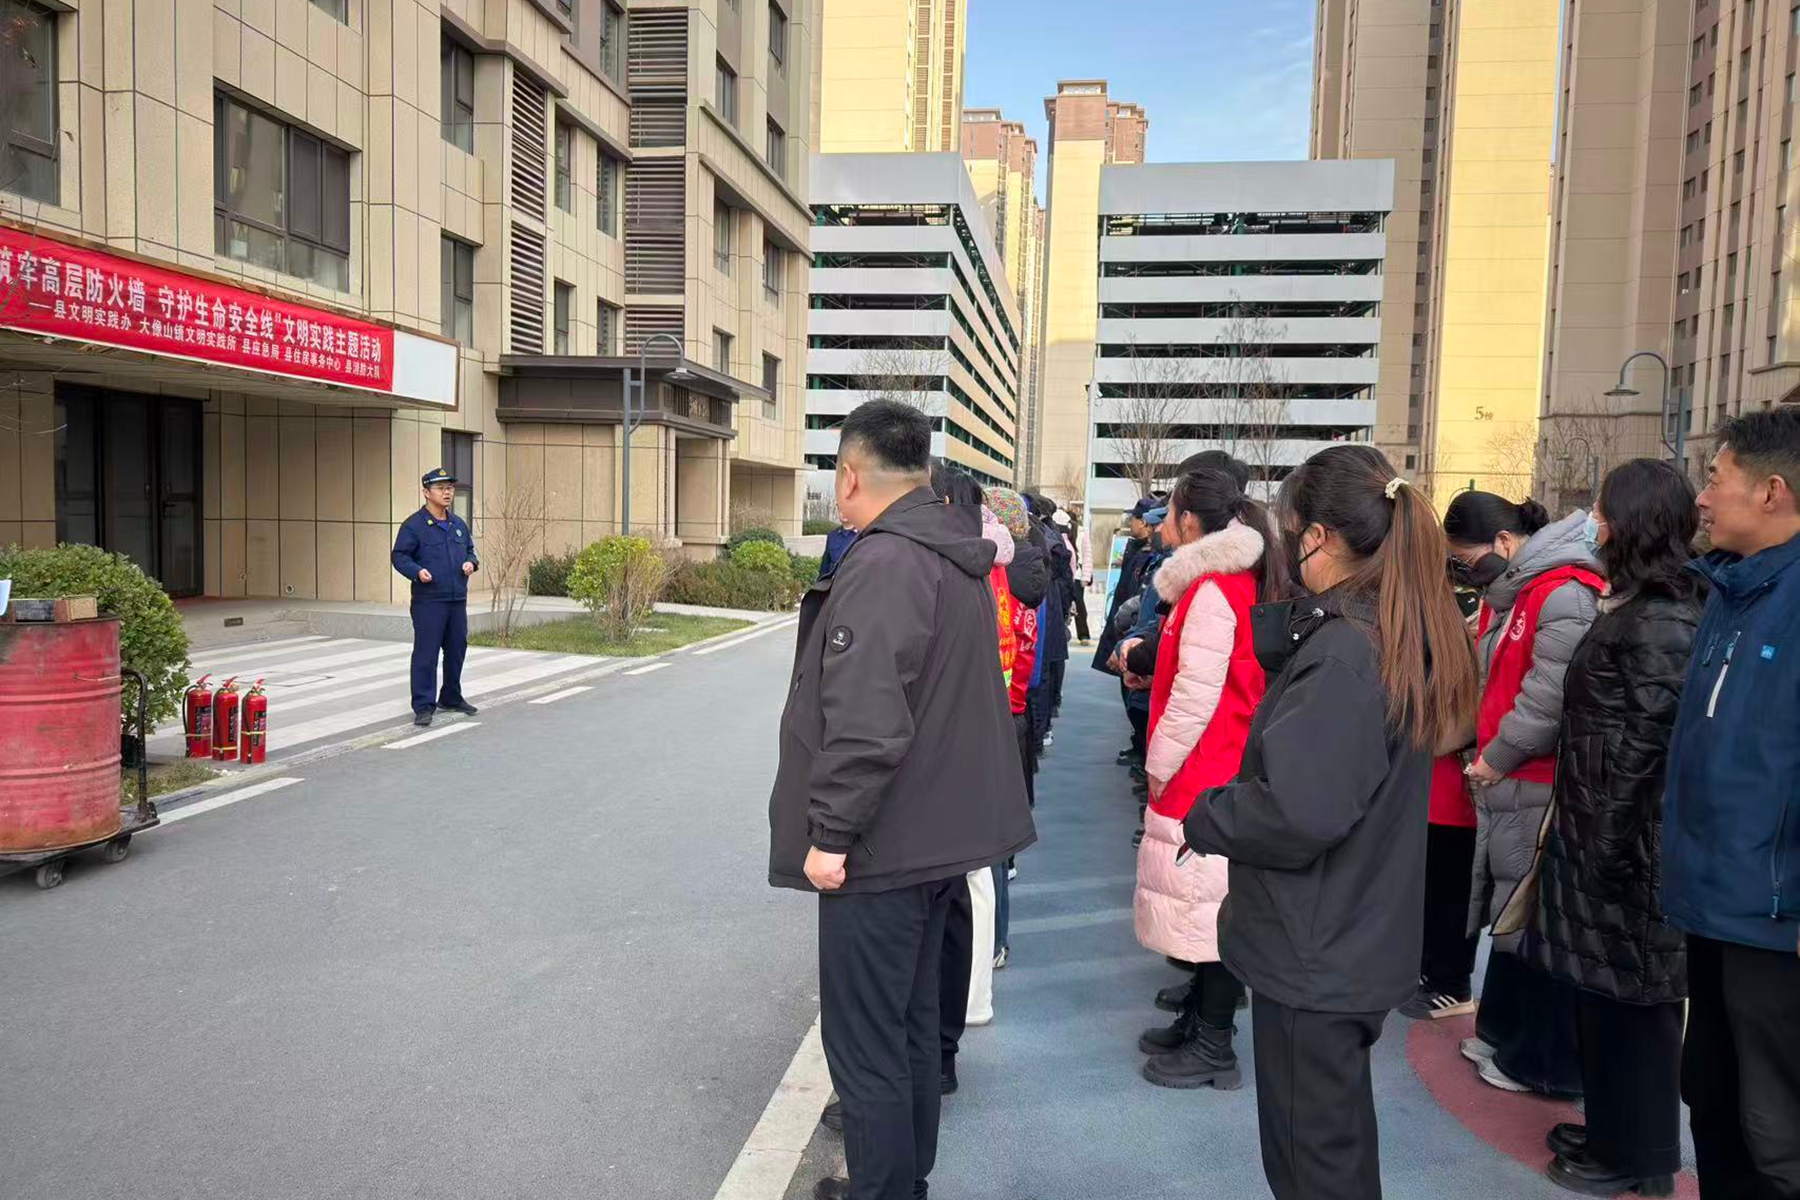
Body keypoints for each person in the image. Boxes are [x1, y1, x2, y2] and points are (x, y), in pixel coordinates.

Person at [1182, 446, 1478, 1200]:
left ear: (1319, 536)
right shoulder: (1387, 630)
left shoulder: (1348, 649)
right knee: (1329, 1147)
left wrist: (1208, 814)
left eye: (1292, 532)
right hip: (1347, 931)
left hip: (1317, 943)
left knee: (1310, 1160)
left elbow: (1298, 809)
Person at [767, 401, 1036, 1200]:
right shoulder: (951, 552)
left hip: (884, 846)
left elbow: (867, 718)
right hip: (939, 837)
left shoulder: (885, 562)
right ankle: (903, 1181)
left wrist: (831, 835)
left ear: (851, 475)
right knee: (913, 1028)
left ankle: (882, 1189)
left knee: (867, 1046)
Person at [1515, 459, 1701, 1198]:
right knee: (1604, 997)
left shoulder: (1665, 617)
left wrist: (1608, 841)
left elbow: (1648, 745)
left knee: (1638, 1006)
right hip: (1599, 829)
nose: (1592, 524)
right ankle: (1611, 1130)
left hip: (1627, 845)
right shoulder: (1637, 603)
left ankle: (1642, 1157)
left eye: (1601, 512)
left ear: (1634, 522)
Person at [1661, 408, 1800, 1200]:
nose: (1703, 498)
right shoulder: (1731, 589)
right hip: (1713, 901)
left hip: (1777, 921)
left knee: (1775, 1134)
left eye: (1716, 479)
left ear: (1772, 492)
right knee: (1713, 1098)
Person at [1446, 491, 1601, 1097]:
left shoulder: (1562, 593)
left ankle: (1537, 1058)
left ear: (1505, 543)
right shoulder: (1517, 591)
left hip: (1533, 777)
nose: (1466, 572)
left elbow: (1547, 698)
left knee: (1530, 920)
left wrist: (1499, 754)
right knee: (1508, 913)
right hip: (1507, 775)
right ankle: (1504, 1032)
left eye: (1467, 559)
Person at [1132, 469, 1279, 1090]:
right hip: (1218, 762)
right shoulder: (1222, 584)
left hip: (1208, 766)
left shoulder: (1215, 590)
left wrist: (1159, 764)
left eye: (1171, 512)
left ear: (1190, 521)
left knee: (1211, 910)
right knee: (1205, 906)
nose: (1165, 522)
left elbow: (1195, 696)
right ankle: (1201, 1019)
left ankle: (1214, 1041)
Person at [988, 485, 1045, 970]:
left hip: (996, 711)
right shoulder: (1029, 573)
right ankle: (996, 941)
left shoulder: (996, 574)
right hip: (1015, 704)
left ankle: (992, 942)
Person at [390, 467, 480, 728]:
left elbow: (471, 552)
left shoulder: (458, 525)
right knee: (426, 654)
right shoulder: (414, 525)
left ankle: (451, 697)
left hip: (456, 599)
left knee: (456, 650)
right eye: (440, 488)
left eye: (449, 488)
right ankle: (423, 706)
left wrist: (471, 563)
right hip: (429, 600)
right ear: (426, 492)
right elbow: (399, 556)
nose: (447, 492)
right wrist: (417, 572)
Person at [1067, 501, 1093, 644]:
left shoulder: (1082, 533)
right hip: (1068, 574)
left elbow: (1087, 556)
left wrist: (1086, 576)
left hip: (1077, 574)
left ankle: (1083, 634)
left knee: (1079, 605)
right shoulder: (1063, 532)